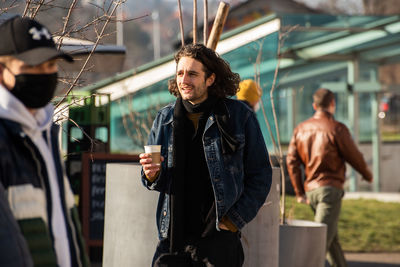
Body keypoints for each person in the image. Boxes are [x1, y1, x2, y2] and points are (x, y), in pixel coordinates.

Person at [139, 43, 272, 267]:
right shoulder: (165, 118)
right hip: (172, 238)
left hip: (218, 241)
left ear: (210, 79)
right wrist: (151, 175)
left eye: (192, 74)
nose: (184, 80)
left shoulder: (239, 116)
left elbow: (260, 175)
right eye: (180, 73)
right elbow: (154, 180)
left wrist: (233, 221)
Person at [0, 16, 89, 267]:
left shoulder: (45, 131)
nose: (46, 74)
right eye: (34, 66)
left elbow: (65, 222)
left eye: (51, 64)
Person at [286, 88, 373, 267]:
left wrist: (299, 191)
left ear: (314, 106)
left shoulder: (300, 129)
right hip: (330, 190)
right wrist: (367, 175)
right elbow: (354, 156)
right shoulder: (337, 128)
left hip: (311, 191)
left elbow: (292, 161)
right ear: (332, 104)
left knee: (330, 239)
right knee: (319, 244)